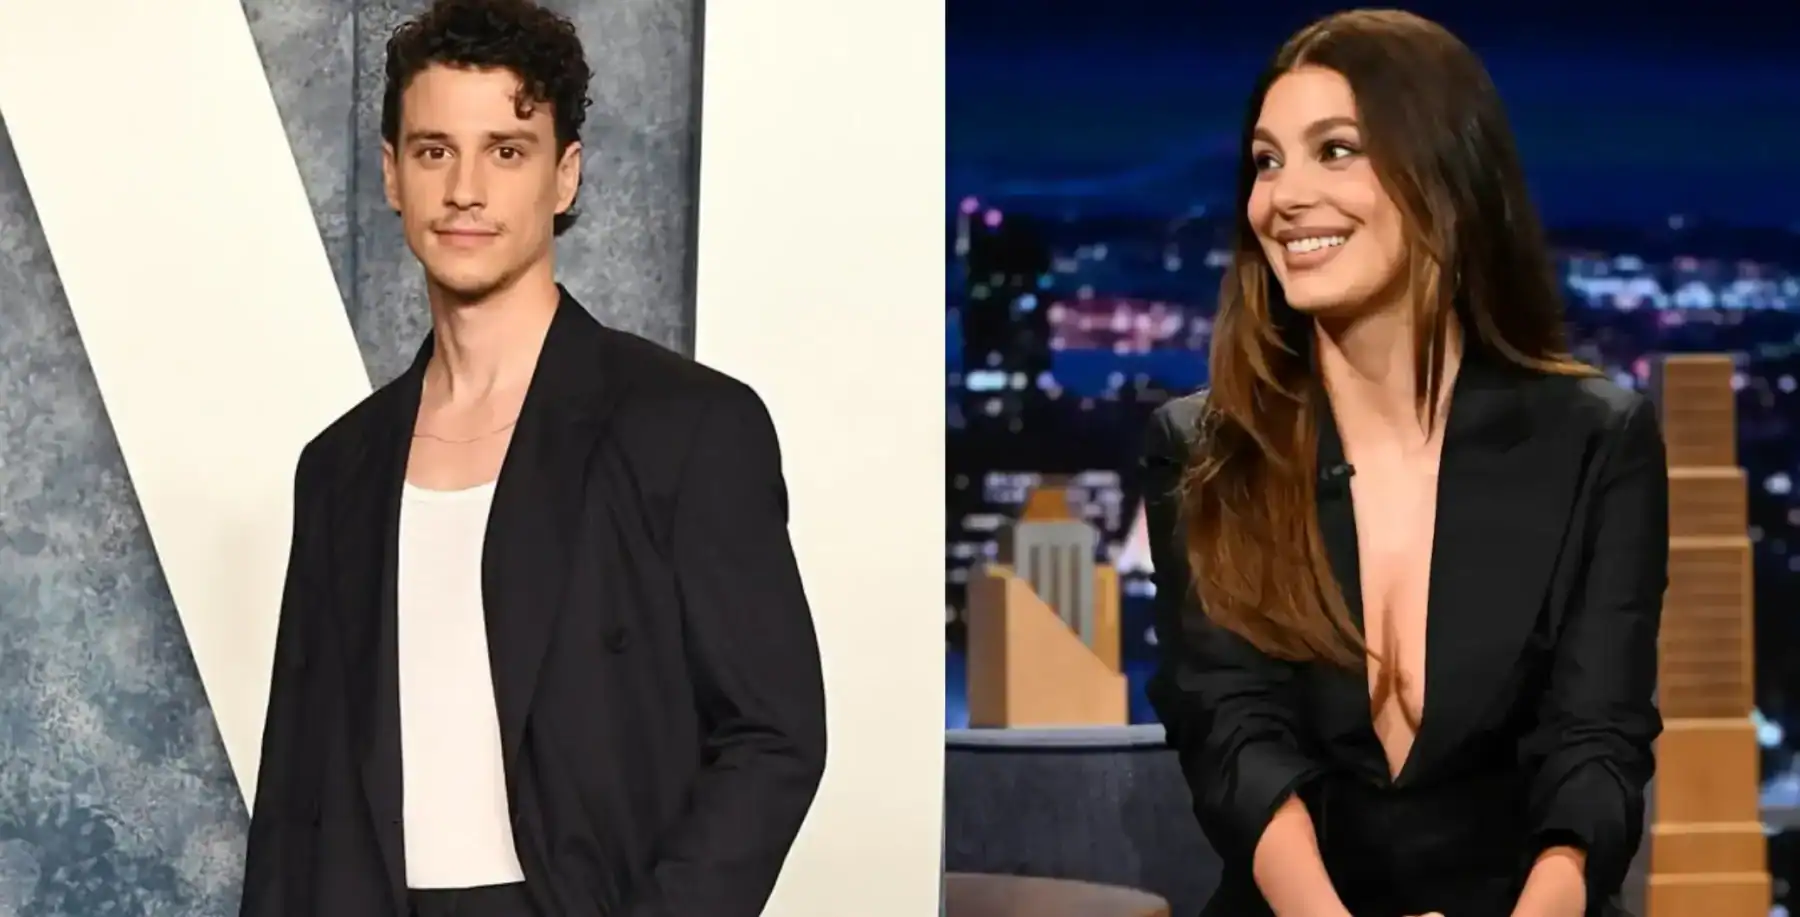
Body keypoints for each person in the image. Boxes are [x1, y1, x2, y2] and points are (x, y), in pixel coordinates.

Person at [237, 2, 828, 916]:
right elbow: (294, 792)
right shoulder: (341, 466)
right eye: (435, 150)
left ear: (565, 176)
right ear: (394, 176)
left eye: (506, 150)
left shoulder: (689, 427)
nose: (466, 188)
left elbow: (775, 736)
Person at [1141, 10, 1665, 917]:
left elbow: (1595, 745)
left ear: (1445, 177)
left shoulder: (1596, 439)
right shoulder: (1206, 450)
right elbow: (1234, 734)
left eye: (1334, 149)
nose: (1284, 196)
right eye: (1267, 161)